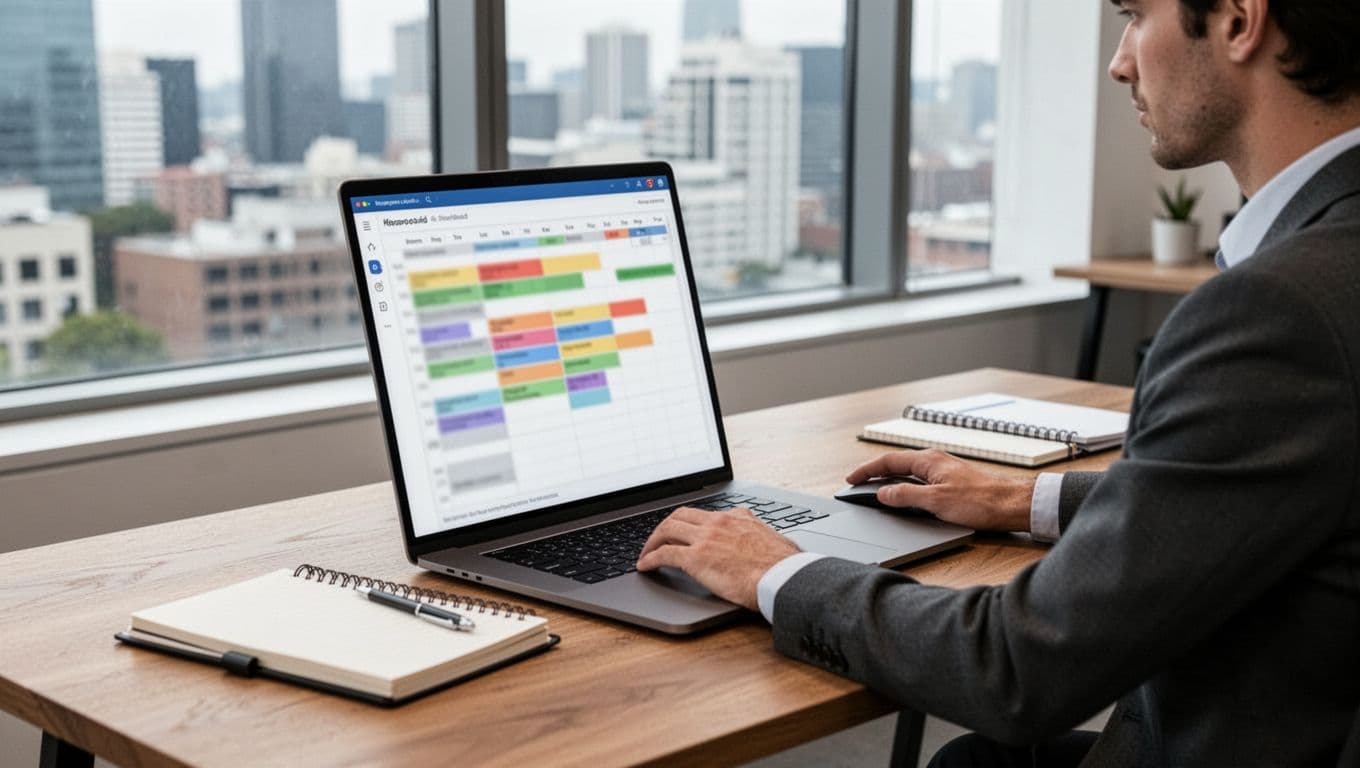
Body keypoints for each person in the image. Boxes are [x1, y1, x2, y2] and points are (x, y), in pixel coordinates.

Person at [637, 0, 1360, 764]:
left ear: (1241, 21)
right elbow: (1268, 490)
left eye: (1135, 15)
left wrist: (776, 571)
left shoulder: (1275, 312)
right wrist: (1025, 498)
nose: (1119, 61)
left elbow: (1016, 668)